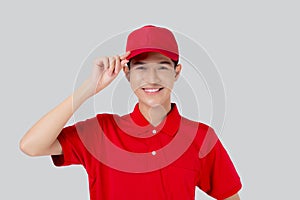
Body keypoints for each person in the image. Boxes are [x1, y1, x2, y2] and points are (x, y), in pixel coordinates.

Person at [20, 25, 242, 200]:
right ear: (126, 73)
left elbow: (230, 196)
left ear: (177, 72)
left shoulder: (201, 137)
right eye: (141, 67)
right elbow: (31, 145)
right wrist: (89, 88)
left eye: (163, 67)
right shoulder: (101, 131)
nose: (152, 78)